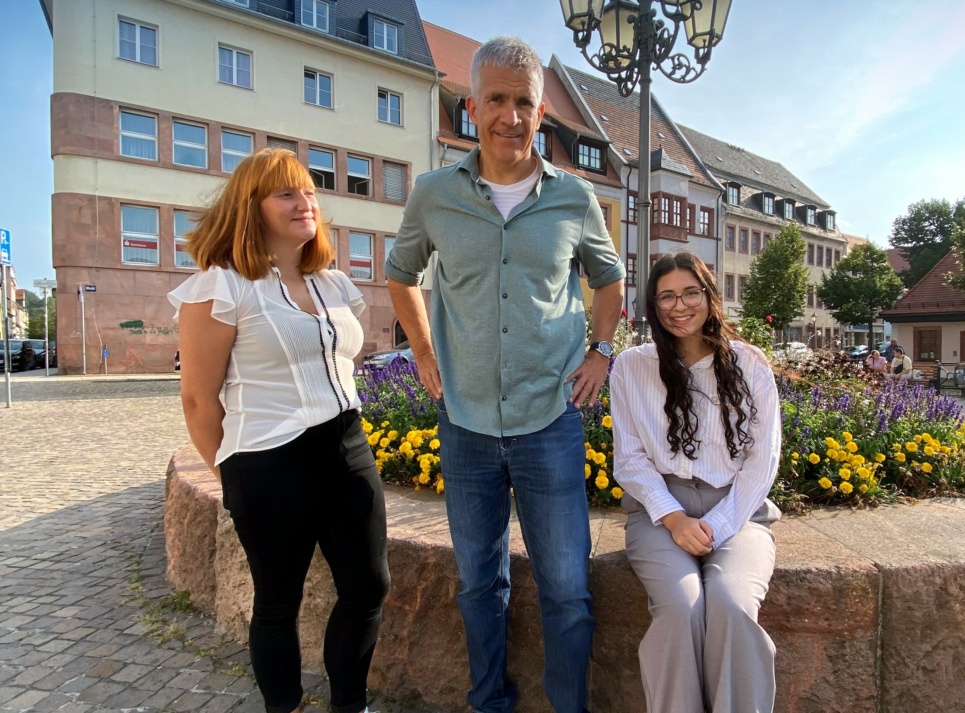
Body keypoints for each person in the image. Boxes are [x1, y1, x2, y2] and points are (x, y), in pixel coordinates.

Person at [385, 36, 624, 713]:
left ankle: (567, 706)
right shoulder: (433, 195)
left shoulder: (574, 198)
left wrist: (602, 350)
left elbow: (609, 280)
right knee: (477, 585)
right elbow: (401, 275)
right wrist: (424, 354)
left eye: (524, 103)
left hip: (550, 421)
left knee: (567, 589)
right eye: (497, 100)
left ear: (541, 112)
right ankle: (490, 701)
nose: (510, 117)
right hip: (464, 424)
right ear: (472, 105)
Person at [168, 149, 389, 713]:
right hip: (268, 460)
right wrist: (232, 473)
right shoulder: (223, 286)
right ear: (252, 206)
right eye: (286, 193)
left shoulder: (333, 284)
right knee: (276, 603)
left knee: (368, 588)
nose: (305, 202)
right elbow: (197, 398)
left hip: (346, 446)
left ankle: (350, 704)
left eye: (309, 192)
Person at [609, 251, 781, 713]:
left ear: (709, 296)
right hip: (660, 508)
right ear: (652, 304)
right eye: (666, 296)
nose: (678, 305)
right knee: (681, 608)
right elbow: (629, 458)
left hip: (739, 510)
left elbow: (762, 461)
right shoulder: (631, 366)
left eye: (690, 292)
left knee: (732, 605)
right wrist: (674, 518)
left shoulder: (750, 365)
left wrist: (718, 526)